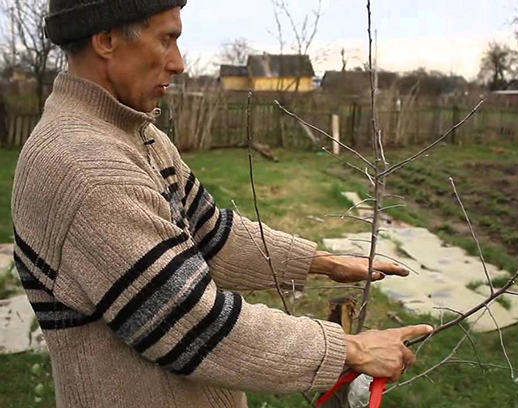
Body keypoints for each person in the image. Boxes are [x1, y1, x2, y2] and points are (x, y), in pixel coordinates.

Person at [11, 1, 433, 407]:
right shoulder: (84, 167)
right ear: (106, 39)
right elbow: (193, 324)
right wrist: (351, 349)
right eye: (166, 39)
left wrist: (321, 262)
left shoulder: (132, 133)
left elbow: (211, 234)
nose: (178, 62)